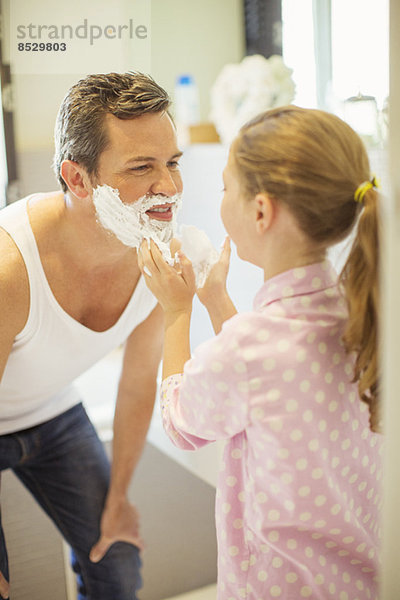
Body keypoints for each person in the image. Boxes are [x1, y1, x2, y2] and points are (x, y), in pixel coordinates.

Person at [138, 105, 383, 600]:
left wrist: (177, 313)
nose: (218, 197)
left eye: (227, 187)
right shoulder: (358, 313)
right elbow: (262, 386)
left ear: (261, 211)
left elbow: (181, 424)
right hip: (361, 578)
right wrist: (218, 302)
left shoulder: (248, 350)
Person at [0, 72, 183, 599]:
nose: (168, 187)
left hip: (52, 414)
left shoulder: (158, 255)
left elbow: (138, 379)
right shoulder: (11, 270)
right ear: (77, 179)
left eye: (171, 162)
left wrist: (119, 497)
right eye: (142, 167)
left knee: (118, 558)